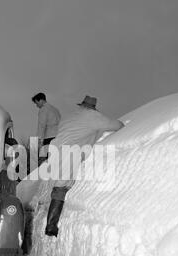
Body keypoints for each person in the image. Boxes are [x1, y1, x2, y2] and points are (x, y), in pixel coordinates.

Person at [45, 95, 124, 237]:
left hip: (55, 151)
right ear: (93, 108)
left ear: (81, 105)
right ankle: (51, 226)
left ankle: (51, 222)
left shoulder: (70, 116)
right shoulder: (93, 117)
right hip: (68, 153)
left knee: (60, 184)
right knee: (61, 186)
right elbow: (117, 125)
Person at [31, 92, 61, 163]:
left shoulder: (43, 110)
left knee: (46, 160)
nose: (36, 105)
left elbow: (42, 125)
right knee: (55, 159)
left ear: (41, 100)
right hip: (58, 136)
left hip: (48, 137)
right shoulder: (55, 109)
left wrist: (39, 140)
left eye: (36, 102)